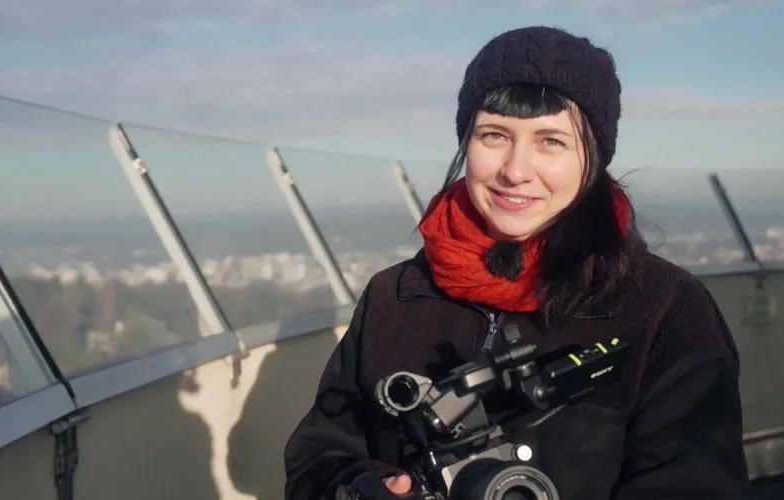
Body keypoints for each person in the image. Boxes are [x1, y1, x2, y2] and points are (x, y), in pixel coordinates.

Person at [283, 26, 750, 500]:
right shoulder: (395, 297)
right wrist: (363, 489)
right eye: (494, 135)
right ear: (467, 142)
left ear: (593, 160)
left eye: (551, 142)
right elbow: (318, 459)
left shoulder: (664, 310)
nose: (515, 170)